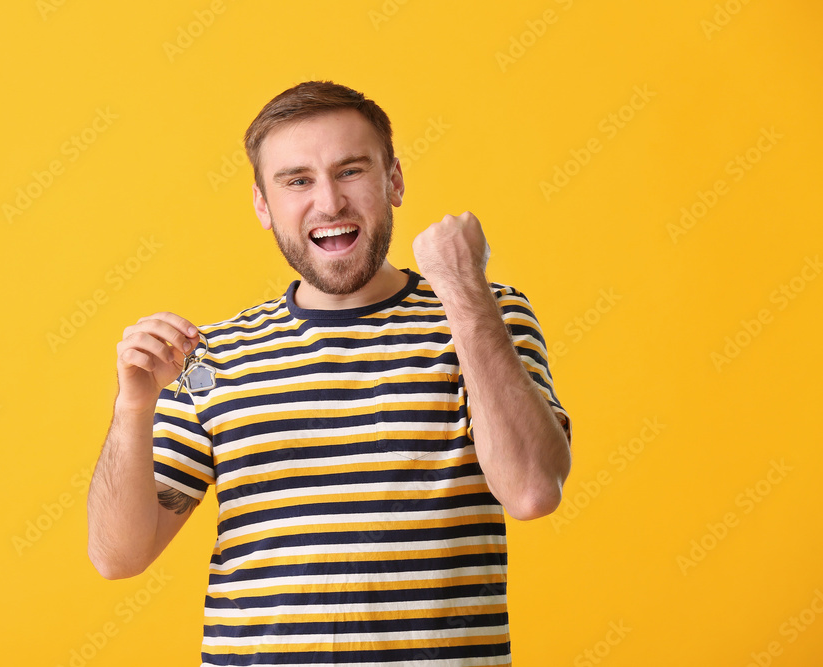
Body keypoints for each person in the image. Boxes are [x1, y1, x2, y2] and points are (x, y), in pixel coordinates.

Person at [87, 80, 572, 666]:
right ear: (263, 205)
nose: (330, 202)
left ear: (393, 181)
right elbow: (117, 556)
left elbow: (531, 490)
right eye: (297, 180)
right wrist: (133, 409)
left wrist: (464, 290)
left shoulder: (485, 315)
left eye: (350, 171)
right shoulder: (213, 357)